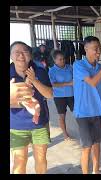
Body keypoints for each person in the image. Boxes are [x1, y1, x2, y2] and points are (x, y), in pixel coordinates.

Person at [73, 36, 101, 174]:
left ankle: (96, 171)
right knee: (87, 146)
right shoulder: (78, 65)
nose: (99, 52)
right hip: (82, 113)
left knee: (97, 144)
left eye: (100, 49)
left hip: (96, 111)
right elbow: (93, 82)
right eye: (95, 49)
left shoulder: (99, 67)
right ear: (86, 49)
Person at [10, 41, 53, 174]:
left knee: (40, 158)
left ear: (30, 55)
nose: (21, 55)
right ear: (11, 56)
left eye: (24, 51)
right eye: (16, 52)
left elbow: (49, 95)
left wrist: (34, 80)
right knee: (19, 161)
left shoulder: (40, 71)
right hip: (16, 126)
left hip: (39, 124)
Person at [48, 50, 75, 141]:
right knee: (62, 116)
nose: (62, 61)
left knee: (77, 113)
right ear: (54, 60)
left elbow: (75, 79)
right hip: (59, 97)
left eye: (63, 59)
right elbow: (53, 84)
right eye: (60, 59)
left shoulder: (70, 67)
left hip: (72, 95)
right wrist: (68, 83)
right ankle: (65, 134)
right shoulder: (52, 70)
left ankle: (84, 130)